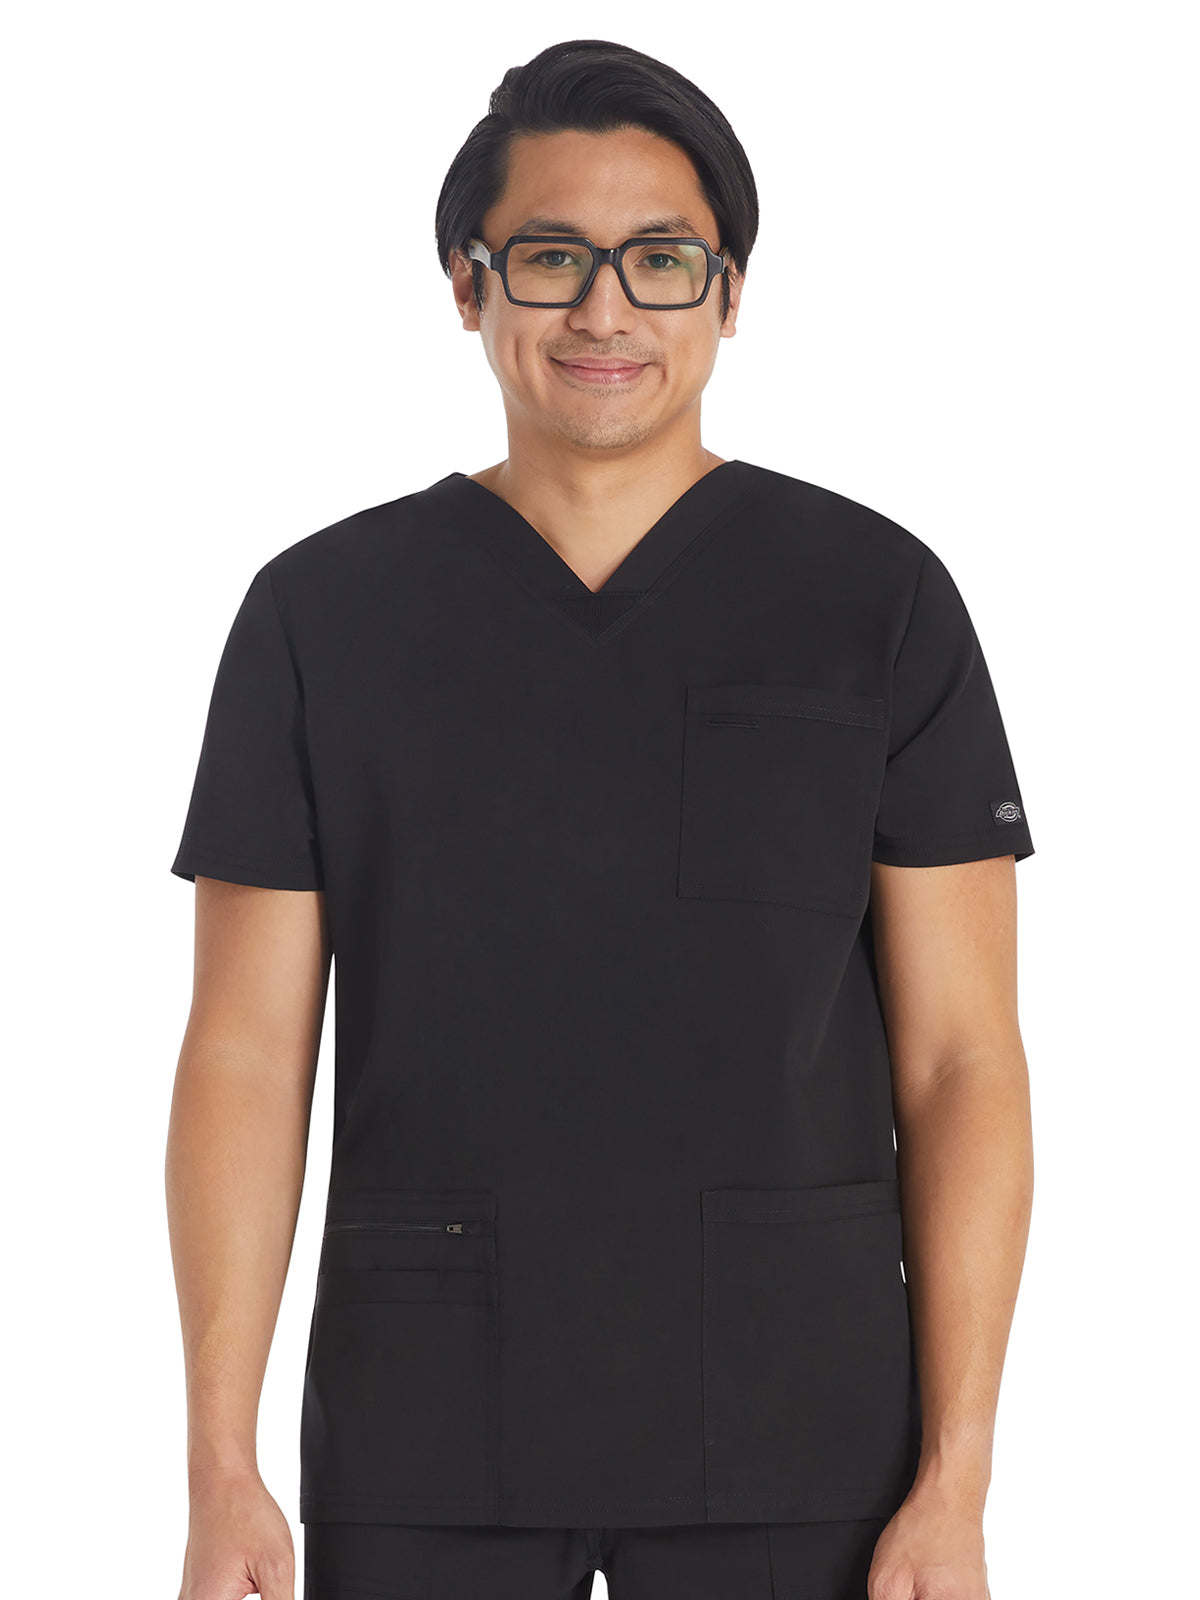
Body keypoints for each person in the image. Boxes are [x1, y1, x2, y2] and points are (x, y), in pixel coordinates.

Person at [166, 37, 1036, 1600]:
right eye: (554, 257)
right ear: (468, 284)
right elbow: (242, 1052)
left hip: (804, 1424)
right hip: (428, 1419)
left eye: (662, 260)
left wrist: (958, 1476)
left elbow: (964, 1060)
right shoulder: (322, 616)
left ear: (729, 293)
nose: (606, 311)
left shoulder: (877, 602)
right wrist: (219, 1465)